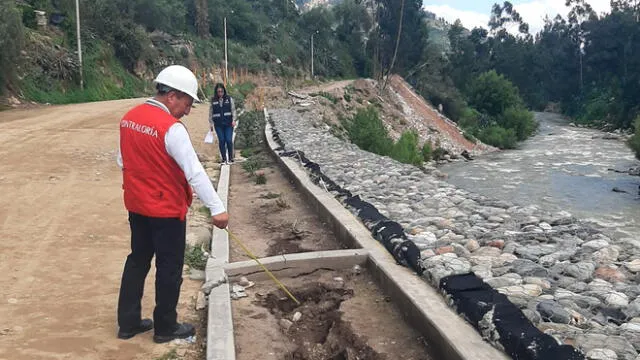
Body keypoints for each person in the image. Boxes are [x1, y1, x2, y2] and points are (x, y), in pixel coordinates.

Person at [116, 65, 229, 344]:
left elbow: (122, 160)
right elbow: (194, 172)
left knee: (137, 260)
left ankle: (128, 323)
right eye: (188, 103)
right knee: (169, 267)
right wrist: (217, 209)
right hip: (165, 211)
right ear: (172, 96)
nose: (188, 111)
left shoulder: (129, 118)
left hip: (137, 205)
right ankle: (165, 327)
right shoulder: (171, 128)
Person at [209, 83, 237, 164]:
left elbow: (233, 110)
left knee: (228, 140)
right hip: (218, 125)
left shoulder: (229, 99)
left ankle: (231, 158)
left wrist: (234, 120)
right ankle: (224, 159)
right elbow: (210, 113)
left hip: (228, 124)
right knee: (221, 140)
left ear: (224, 91)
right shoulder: (213, 100)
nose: (220, 93)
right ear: (216, 92)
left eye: (221, 91)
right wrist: (211, 123)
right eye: (218, 92)